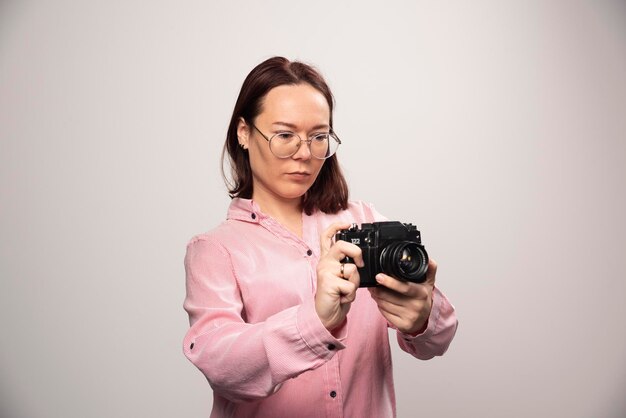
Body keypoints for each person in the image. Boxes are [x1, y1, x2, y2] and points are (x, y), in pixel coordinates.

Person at [182, 56, 458, 418]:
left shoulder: (364, 222)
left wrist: (423, 316)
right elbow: (223, 368)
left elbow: (435, 342)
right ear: (244, 133)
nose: (304, 154)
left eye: (318, 137)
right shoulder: (215, 251)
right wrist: (315, 321)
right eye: (284, 135)